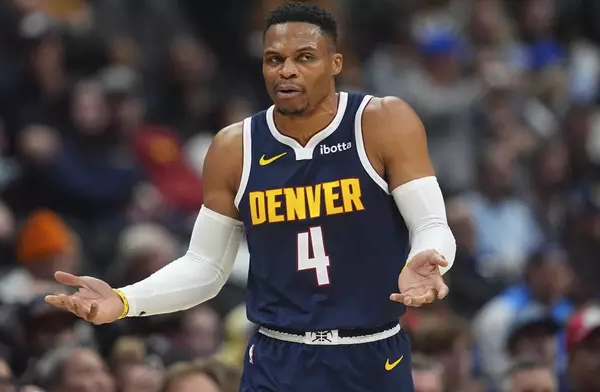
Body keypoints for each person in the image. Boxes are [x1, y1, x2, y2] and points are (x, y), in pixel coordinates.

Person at [44, 2, 456, 391]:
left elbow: (432, 225)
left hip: (372, 351)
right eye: (274, 59)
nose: (287, 71)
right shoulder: (234, 147)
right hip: (278, 357)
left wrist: (430, 255)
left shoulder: (382, 121)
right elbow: (206, 266)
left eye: (305, 57)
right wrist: (124, 300)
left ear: (335, 63)